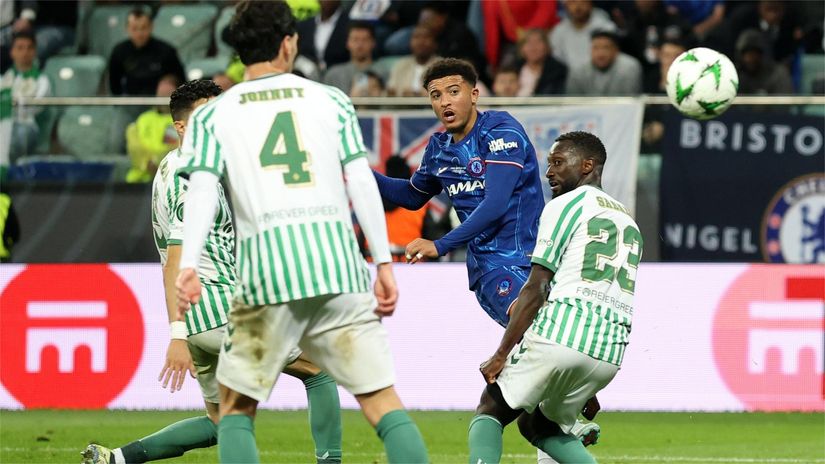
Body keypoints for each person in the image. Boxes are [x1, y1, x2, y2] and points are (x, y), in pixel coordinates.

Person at [174, 2, 428, 463]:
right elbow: (359, 180)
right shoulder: (330, 99)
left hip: (265, 279)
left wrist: (188, 263)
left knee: (234, 410)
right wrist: (384, 263)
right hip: (338, 272)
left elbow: (203, 191)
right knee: (382, 403)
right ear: (289, 43)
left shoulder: (213, 117)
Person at [82, 79, 345, 464]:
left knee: (221, 420)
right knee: (319, 369)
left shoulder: (176, 167)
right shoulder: (191, 178)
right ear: (182, 127)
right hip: (215, 305)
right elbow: (174, 261)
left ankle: (117, 459)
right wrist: (176, 334)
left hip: (198, 319)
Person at [371, 58, 600, 462]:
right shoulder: (439, 148)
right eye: (435, 95)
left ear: (474, 94)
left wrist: (439, 245)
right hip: (494, 269)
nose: (445, 101)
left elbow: (494, 204)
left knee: (542, 363)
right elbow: (409, 195)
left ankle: (570, 411)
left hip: (539, 259)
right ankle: (574, 412)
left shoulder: (501, 131)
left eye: (454, 91)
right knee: (537, 327)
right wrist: (354, 169)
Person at [469, 131, 643, 464]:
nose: (549, 172)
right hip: (610, 350)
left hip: (563, 332)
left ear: (588, 165)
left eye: (559, 163)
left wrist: (501, 353)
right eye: (549, 164)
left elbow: (536, 289)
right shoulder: (627, 220)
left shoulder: (567, 205)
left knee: (491, 408)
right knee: (539, 426)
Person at [108, 8, 185, 96]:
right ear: (127, 29)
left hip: (160, 102)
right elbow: (114, 86)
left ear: (151, 27)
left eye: (143, 27)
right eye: (134, 28)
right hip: (131, 101)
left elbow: (181, 80)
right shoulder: (119, 51)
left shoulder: (167, 50)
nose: (139, 33)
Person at [1, 30, 50, 160]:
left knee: (19, 134)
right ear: (12, 52)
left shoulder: (42, 80)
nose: (25, 52)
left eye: (29, 48)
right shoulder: (3, 79)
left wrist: (9, 106)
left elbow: (34, 108)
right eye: (20, 48)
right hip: (3, 124)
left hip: (26, 126)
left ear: (34, 52)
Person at [565, 30, 643, 96]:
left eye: (606, 48)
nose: (600, 54)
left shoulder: (630, 67)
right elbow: (573, 101)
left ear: (616, 51)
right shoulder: (578, 70)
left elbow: (631, 101)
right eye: (596, 48)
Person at [549, 0, 616, 70]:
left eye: (583, 2)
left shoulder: (605, 28)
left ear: (591, 5)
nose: (578, 7)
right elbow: (557, 60)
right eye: (573, 2)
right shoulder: (559, 31)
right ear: (566, 6)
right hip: (569, 77)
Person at [323, 21, 377, 96]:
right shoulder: (333, 74)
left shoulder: (384, 72)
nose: (360, 45)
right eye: (355, 40)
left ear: (373, 43)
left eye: (365, 40)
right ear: (347, 43)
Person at [386, 25, 440, 97]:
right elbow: (391, 91)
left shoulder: (441, 66)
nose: (421, 42)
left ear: (435, 43)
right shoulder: (401, 64)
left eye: (426, 37)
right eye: (416, 37)